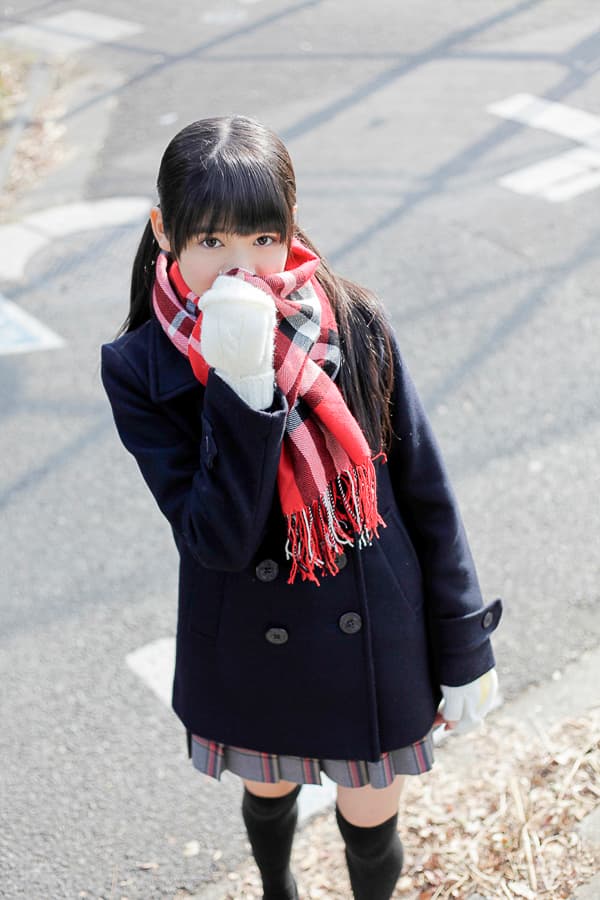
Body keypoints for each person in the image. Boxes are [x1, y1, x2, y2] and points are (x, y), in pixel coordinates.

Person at [101, 115, 502, 900]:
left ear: (290, 226)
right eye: (211, 242)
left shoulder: (354, 319)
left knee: (373, 814)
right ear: (164, 232)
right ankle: (277, 889)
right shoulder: (141, 367)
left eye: (261, 239)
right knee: (269, 789)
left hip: (373, 629)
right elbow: (214, 539)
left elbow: (425, 492)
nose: (242, 267)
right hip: (252, 637)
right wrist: (243, 391)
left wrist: (464, 647)